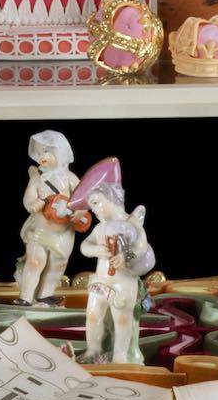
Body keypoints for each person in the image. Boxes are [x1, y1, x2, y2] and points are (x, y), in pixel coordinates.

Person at [71, 157, 154, 366]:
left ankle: (120, 356)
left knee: (122, 319)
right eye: (92, 206)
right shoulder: (100, 228)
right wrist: (96, 250)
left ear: (112, 198)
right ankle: (94, 350)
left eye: (97, 203)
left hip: (123, 283)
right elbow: (84, 247)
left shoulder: (131, 223)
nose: (95, 210)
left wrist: (125, 257)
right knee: (92, 316)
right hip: (100, 282)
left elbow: (142, 246)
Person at [16, 130, 84, 304]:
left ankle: (45, 294)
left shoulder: (70, 178)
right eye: (39, 153)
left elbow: (84, 198)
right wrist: (32, 203)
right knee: (35, 261)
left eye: (46, 151)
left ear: (59, 153)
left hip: (63, 230)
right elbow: (29, 196)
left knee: (57, 264)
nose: (42, 156)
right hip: (40, 227)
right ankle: (25, 297)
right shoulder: (37, 178)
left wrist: (80, 211)